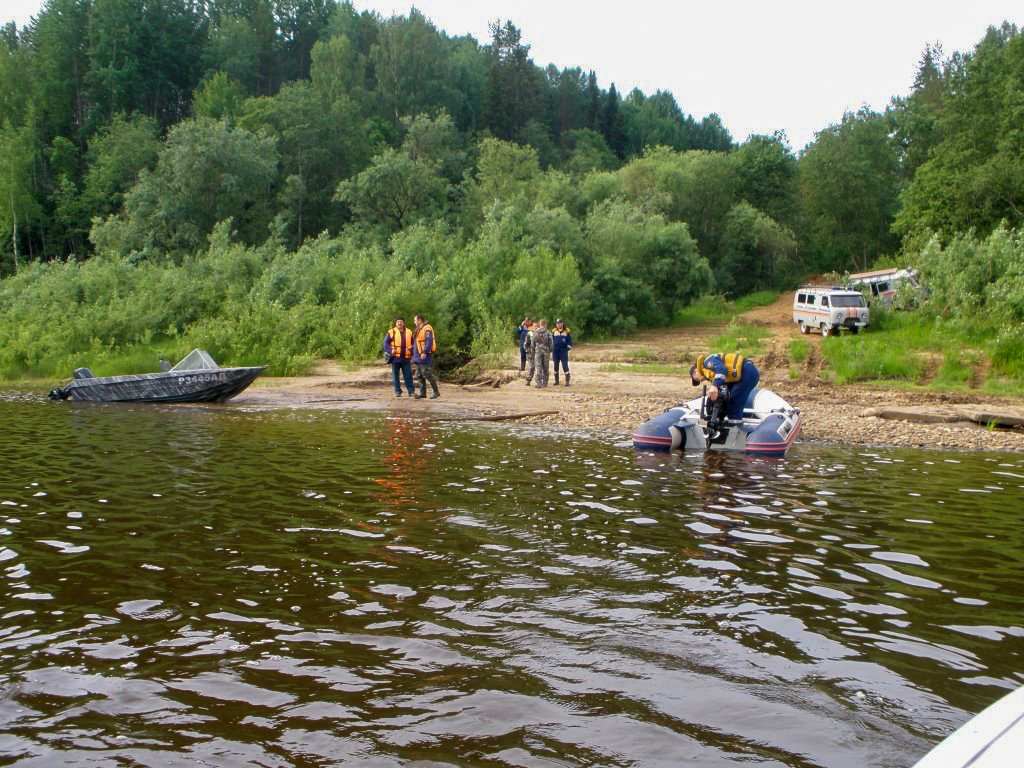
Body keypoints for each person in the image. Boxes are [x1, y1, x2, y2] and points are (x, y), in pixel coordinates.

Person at [690, 353, 759, 421]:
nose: (700, 381)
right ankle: (732, 421)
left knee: (734, 403)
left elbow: (722, 369)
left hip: (746, 372)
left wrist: (715, 386)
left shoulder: (707, 362)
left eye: (697, 379)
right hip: (742, 375)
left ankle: (735, 427)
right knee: (729, 402)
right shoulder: (711, 373)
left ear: (696, 371)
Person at [384, 317, 415, 397]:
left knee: (408, 375)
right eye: (398, 322)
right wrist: (391, 350)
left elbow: (413, 344)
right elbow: (386, 344)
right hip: (395, 358)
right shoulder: (391, 332)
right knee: (395, 376)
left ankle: (411, 391)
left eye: (401, 322)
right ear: (396, 323)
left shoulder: (409, 332)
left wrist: (413, 355)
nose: (399, 323)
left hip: (406, 358)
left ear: (403, 323)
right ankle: (398, 391)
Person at [412, 313, 440, 399]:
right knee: (419, 374)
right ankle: (422, 392)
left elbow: (429, 342)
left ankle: (436, 392)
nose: (414, 322)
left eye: (415, 320)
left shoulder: (427, 329)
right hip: (417, 355)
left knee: (427, 373)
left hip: (425, 355)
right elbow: (417, 342)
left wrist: (424, 352)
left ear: (420, 320)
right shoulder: (418, 329)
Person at [531, 319, 553, 388]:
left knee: (538, 366)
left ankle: (538, 383)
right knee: (545, 367)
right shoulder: (548, 332)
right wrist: (551, 350)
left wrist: (533, 350)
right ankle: (545, 382)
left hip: (538, 351)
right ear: (545, 324)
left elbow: (532, 343)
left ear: (539, 324)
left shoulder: (536, 331)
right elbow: (551, 342)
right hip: (546, 351)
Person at [551, 318, 573, 386]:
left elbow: (570, 340)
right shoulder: (554, 331)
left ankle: (567, 381)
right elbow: (551, 340)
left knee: (565, 365)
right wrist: (551, 348)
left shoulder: (567, 331)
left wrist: (568, 348)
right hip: (556, 351)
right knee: (555, 366)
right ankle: (556, 380)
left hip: (563, 351)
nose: (558, 324)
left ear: (562, 323)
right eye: (557, 323)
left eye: (559, 323)